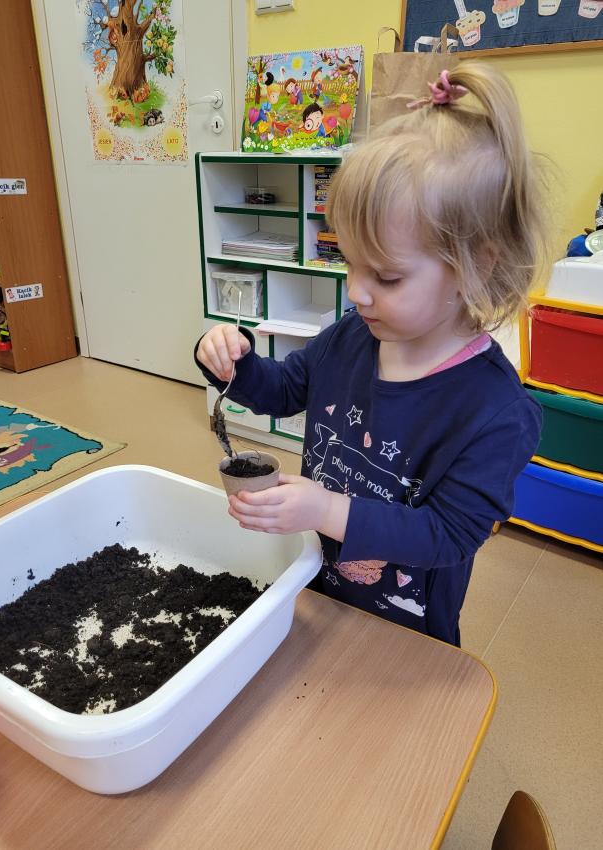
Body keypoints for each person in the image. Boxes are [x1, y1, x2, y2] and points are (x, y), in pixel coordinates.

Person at [196, 63, 546, 646]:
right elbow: (282, 390)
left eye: (385, 275)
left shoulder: (496, 412)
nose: (356, 291)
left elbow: (450, 535)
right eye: (348, 261)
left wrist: (326, 510)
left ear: (476, 266)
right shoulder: (353, 336)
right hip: (316, 584)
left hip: (405, 628)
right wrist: (232, 360)